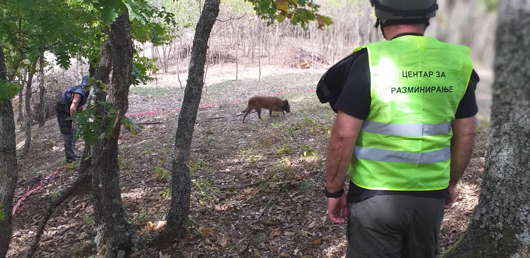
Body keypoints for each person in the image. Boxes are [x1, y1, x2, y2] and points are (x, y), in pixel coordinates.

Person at [317, 0, 478, 257]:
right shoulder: (457, 62)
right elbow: (467, 132)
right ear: (427, 18)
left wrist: (334, 190)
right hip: (430, 193)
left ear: (381, 19)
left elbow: (343, 135)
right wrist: (451, 182)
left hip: (374, 197)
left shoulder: (370, 60)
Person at [55, 76, 90, 163]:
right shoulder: (79, 92)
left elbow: (80, 105)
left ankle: (72, 154)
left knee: (74, 131)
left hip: (70, 112)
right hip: (64, 113)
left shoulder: (85, 92)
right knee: (68, 131)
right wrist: (73, 121)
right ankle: (69, 157)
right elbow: (73, 107)